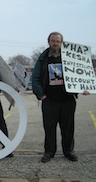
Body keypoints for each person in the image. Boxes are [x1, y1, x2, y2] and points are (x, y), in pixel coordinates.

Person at [32, 32, 89, 163]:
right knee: (49, 128)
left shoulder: (71, 57)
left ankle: (69, 151)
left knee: (68, 128)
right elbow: (35, 78)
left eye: (58, 41)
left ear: (61, 43)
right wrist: (41, 95)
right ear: (48, 42)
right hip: (49, 100)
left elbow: (81, 74)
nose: (55, 44)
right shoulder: (42, 59)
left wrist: (83, 88)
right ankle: (49, 152)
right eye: (53, 41)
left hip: (67, 99)